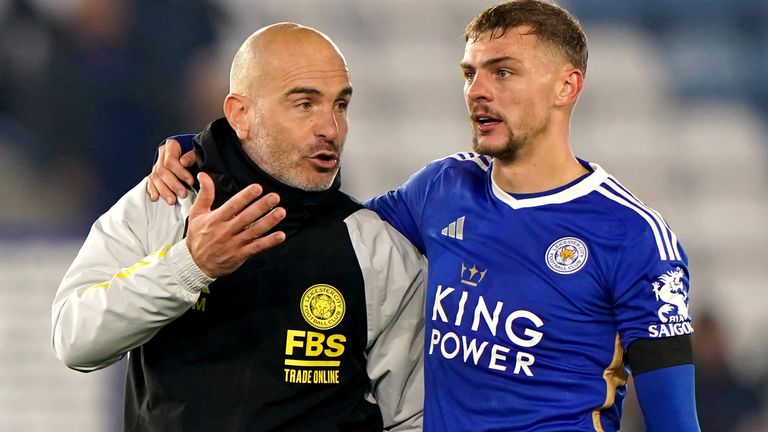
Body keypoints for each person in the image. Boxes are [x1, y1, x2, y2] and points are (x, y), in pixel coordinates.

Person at [149, 1, 701, 430]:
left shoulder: (631, 235)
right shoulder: (444, 187)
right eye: (470, 73)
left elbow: (675, 420)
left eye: (503, 72)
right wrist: (211, 150)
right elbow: (327, 229)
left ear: (567, 86)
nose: (478, 91)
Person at [52, 23, 426, 432]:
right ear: (240, 115)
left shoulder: (375, 248)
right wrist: (190, 265)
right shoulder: (167, 202)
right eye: (304, 104)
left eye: (340, 105)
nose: (331, 130)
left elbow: (411, 418)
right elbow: (75, 339)